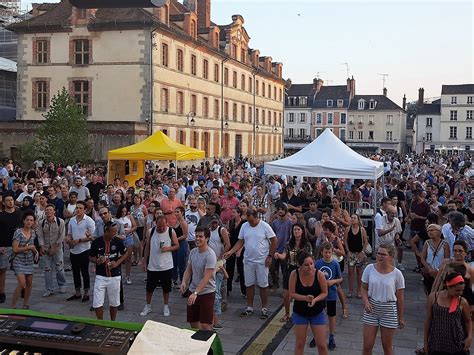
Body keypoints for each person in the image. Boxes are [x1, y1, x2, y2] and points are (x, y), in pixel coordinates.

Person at [223, 207, 277, 320]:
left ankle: (264, 308)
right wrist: (231, 251)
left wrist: (270, 256)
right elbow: (241, 241)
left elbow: (274, 240)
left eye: (251, 220)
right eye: (248, 220)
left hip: (262, 260)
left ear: (256, 217)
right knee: (249, 284)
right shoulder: (244, 226)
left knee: (263, 284)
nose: (249, 222)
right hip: (248, 260)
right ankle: (249, 307)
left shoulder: (265, 226)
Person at [361, 244, 405, 355]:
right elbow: (363, 287)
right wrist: (366, 302)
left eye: (383, 254)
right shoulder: (369, 269)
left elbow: (400, 297)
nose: (380, 256)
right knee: (367, 346)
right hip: (371, 309)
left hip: (389, 310)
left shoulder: (397, 274)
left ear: (391, 257)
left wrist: (401, 318)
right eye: (378, 253)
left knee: (387, 347)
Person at [422, 272, 472, 355]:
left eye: (462, 290)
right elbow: (428, 320)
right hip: (436, 342)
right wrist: (425, 342)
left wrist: (469, 337)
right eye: (457, 290)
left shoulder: (462, 302)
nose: (460, 293)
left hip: (457, 343)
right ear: (447, 286)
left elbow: (468, 321)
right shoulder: (433, 297)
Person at [289, 250, 328, 355]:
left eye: (311, 263)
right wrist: (305, 298)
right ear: (300, 265)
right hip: (300, 313)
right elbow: (292, 293)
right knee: (300, 344)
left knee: (322, 345)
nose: (310, 267)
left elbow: (325, 292)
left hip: (317, 313)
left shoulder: (319, 274)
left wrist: (315, 299)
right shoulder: (294, 274)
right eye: (306, 265)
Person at [89, 221, 130, 321]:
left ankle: (113, 322)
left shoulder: (118, 241)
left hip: (115, 276)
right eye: (113, 232)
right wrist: (97, 260)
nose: (115, 233)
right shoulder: (96, 242)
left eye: (116, 231)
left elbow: (126, 253)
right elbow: (90, 257)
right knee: (97, 302)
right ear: (106, 232)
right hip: (101, 276)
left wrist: (117, 263)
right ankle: (100, 322)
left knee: (114, 302)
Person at [140, 215, 179, 317]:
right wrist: (144, 261)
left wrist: (168, 248)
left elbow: (177, 245)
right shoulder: (151, 232)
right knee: (149, 288)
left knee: (166, 288)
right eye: (159, 226)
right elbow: (147, 247)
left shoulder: (171, 232)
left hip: (166, 265)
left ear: (167, 224)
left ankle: (166, 306)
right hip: (153, 265)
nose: (161, 228)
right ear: (155, 224)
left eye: (163, 226)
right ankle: (148, 305)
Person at [274, 222, 312, 323]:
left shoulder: (306, 244)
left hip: (303, 271)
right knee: (286, 295)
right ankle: (287, 314)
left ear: (302, 231)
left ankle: (304, 313)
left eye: (298, 229)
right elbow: (284, 255)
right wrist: (278, 255)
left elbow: (310, 259)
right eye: (294, 229)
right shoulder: (288, 244)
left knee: (302, 294)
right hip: (290, 270)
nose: (296, 231)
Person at [180, 227, 217, 330]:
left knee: (205, 324)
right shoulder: (193, 252)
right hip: (193, 290)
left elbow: (207, 277)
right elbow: (189, 269)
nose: (197, 238)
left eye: (201, 236)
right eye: (196, 236)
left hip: (206, 292)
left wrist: (195, 293)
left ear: (207, 238)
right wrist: (184, 281)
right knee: (193, 322)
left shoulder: (210, 255)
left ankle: (210, 343)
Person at [313, 242, 343, 350]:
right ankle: (317, 336)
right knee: (318, 315)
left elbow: (340, 278)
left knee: (331, 316)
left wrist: (332, 281)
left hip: (331, 294)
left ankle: (331, 337)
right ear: (322, 252)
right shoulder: (318, 264)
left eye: (329, 252)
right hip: (320, 294)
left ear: (332, 252)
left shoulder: (335, 264)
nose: (328, 255)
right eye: (326, 252)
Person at [65, 200, 95, 303]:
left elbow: (92, 237)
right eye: (76, 208)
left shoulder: (89, 221)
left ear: (85, 210)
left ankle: (86, 292)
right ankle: (77, 292)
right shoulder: (72, 220)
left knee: (84, 272)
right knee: (75, 272)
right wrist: (68, 239)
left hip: (84, 249)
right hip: (73, 250)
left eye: (80, 208)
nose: (77, 210)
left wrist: (80, 240)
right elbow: (69, 233)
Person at [36, 204, 67, 297]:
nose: (48, 212)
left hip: (57, 248)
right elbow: (40, 235)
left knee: (59, 268)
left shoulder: (60, 221)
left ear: (54, 211)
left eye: (50, 210)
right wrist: (41, 247)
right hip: (46, 248)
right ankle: (49, 289)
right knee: (47, 269)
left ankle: (62, 284)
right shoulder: (41, 222)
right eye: (47, 210)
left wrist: (54, 248)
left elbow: (61, 236)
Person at [11, 210, 39, 309]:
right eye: (27, 220)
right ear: (23, 221)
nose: (29, 222)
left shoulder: (33, 232)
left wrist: (35, 251)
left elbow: (31, 246)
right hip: (18, 260)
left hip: (29, 260)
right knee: (22, 283)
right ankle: (13, 304)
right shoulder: (18, 232)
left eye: (31, 220)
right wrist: (28, 248)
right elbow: (15, 249)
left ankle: (25, 303)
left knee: (29, 283)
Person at [0, 194, 22, 303]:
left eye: (12, 200)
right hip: (4, 246)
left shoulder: (19, 214)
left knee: (20, 269)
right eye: (8, 201)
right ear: (3, 203)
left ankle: (22, 288)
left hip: (19, 246)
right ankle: (2, 292)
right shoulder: (1, 215)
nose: (10, 202)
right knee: (2, 270)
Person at [420, 224, 450, 295]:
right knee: (428, 291)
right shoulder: (427, 243)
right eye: (428, 231)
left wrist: (437, 270)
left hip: (440, 273)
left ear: (439, 232)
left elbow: (447, 259)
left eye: (432, 230)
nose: (430, 232)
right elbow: (423, 259)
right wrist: (429, 268)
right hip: (429, 272)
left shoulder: (445, 244)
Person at [344, 213, 368, 299]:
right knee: (350, 272)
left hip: (359, 253)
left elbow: (365, 241)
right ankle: (350, 290)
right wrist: (348, 251)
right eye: (351, 218)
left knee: (359, 272)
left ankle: (359, 290)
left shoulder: (362, 230)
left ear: (358, 220)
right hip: (351, 253)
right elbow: (345, 240)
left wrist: (362, 252)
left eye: (354, 218)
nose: (352, 219)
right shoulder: (347, 229)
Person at [270, 203, 292, 289]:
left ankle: (285, 288)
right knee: (272, 268)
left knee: (285, 271)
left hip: (285, 250)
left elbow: (291, 235)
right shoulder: (275, 223)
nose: (280, 211)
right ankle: (275, 282)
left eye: (282, 209)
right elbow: (272, 235)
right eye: (279, 209)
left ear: (286, 211)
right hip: (275, 249)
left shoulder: (290, 223)